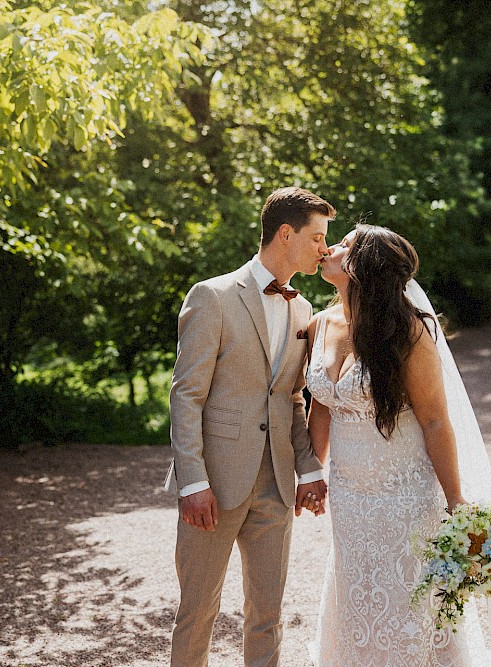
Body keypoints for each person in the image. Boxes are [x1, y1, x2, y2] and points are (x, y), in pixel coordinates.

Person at [306, 224, 491, 666]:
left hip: (405, 497)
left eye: (342, 244)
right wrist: (308, 473)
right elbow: (322, 405)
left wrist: (456, 498)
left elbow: (436, 420)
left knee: (409, 607)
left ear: (363, 266)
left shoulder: (409, 333)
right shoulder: (319, 324)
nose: (329, 247)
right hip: (348, 496)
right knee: (355, 596)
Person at [166, 186, 335, 667]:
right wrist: (192, 480)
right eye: (318, 237)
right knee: (197, 612)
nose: (325, 248)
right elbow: (186, 394)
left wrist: (308, 469)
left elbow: (292, 398)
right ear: (287, 233)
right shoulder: (212, 296)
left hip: (277, 484)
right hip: (213, 485)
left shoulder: (303, 310)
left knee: (268, 615)